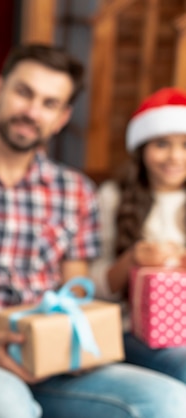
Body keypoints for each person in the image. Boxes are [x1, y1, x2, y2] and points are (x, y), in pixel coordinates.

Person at [0, 43, 186, 418]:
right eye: (23, 92)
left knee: (170, 401)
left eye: (49, 104)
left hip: (52, 359)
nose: (32, 112)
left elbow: (75, 292)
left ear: (62, 118)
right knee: (9, 406)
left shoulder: (76, 192)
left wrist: (76, 343)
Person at [89, 86, 186, 383]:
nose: (174, 157)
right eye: (161, 144)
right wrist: (133, 258)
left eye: (184, 145)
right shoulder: (113, 197)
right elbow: (92, 285)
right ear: (141, 148)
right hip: (131, 330)